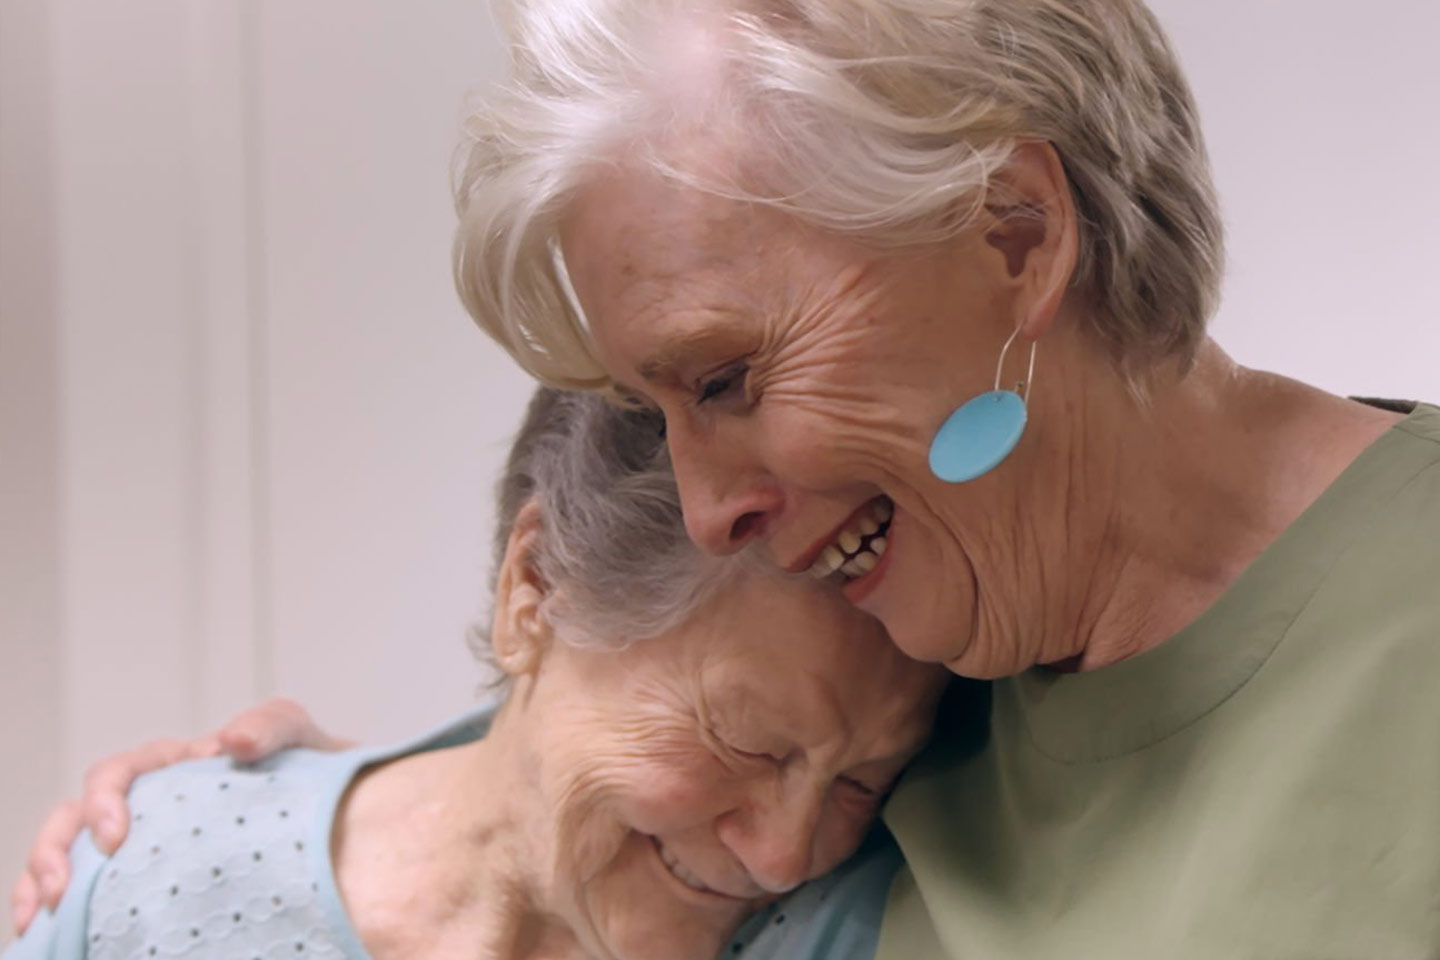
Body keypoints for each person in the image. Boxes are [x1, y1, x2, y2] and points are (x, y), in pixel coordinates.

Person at [18, 0, 1440, 955]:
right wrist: (203, 834)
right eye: (660, 406)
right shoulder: (930, 644)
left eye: (726, 378)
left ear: (1014, 235)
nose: (709, 509)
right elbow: (586, 739)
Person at [3, 387, 948, 960]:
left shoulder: (857, 928)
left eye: (861, 780)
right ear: (534, 589)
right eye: (745, 739)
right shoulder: (171, 872)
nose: (783, 854)